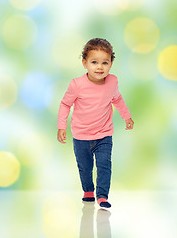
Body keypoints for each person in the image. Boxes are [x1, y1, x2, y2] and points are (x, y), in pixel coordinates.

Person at [57, 38, 134, 208]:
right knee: (85, 168)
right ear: (85, 63)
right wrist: (61, 126)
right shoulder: (77, 85)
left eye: (104, 63)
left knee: (104, 165)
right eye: (94, 62)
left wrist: (126, 116)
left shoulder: (112, 81)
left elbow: (117, 99)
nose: (99, 67)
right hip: (81, 136)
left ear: (111, 64)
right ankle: (88, 191)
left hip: (104, 135)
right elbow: (65, 104)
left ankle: (102, 196)